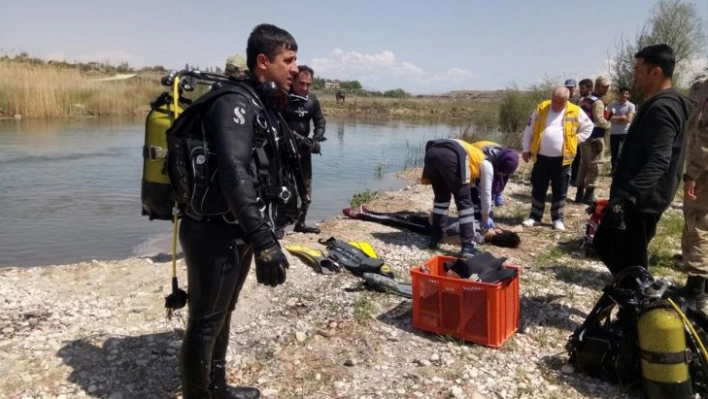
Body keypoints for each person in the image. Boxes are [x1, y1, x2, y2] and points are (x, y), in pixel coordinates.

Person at [178, 24, 300, 399]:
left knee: (223, 313)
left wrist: (258, 233)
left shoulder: (255, 100)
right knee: (205, 321)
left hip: (236, 229)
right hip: (214, 233)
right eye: (288, 60)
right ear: (263, 62)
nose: (295, 68)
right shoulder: (233, 102)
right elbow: (234, 173)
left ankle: (218, 389)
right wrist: (265, 241)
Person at [593, 44, 696, 277]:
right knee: (607, 243)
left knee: (630, 265)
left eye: (638, 69)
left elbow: (660, 160)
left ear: (656, 72)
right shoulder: (658, 104)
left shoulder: (664, 108)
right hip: (639, 196)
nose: (634, 75)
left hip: (642, 201)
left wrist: (629, 197)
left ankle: (639, 306)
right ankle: (631, 301)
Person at [521, 86, 593, 230]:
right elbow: (529, 129)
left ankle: (557, 219)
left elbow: (589, 127)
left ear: (567, 99)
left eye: (560, 102)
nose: (556, 104)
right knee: (538, 187)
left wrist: (574, 140)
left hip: (562, 159)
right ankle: (535, 217)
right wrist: (525, 148)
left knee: (560, 189)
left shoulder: (575, 111)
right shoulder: (541, 108)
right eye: (554, 101)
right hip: (541, 157)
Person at [421, 139, 492, 256]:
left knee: (441, 199)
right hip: (451, 155)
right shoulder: (487, 164)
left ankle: (435, 239)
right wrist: (486, 216)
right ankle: (468, 247)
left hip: (431, 152)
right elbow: (486, 193)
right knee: (464, 201)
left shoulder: (473, 154)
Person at [676, 75, 708, 315]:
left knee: (697, 226)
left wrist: (692, 174)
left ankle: (695, 293)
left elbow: (705, 137)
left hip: (704, 173)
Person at [281, 65, 326, 235]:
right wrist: (300, 139)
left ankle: (301, 222)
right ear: (293, 81)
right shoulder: (282, 97)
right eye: (301, 83)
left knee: (306, 190)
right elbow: (278, 125)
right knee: (282, 188)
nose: (305, 88)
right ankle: (278, 223)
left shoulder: (312, 100)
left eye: (308, 84)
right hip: (283, 152)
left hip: (304, 153)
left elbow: (320, 123)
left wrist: (315, 139)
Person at [341, 206, 521, 248]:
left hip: (430, 228)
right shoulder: (482, 230)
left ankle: (361, 215)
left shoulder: (475, 237)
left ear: (498, 231)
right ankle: (369, 210)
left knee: (395, 221)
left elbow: (446, 239)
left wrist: (437, 227)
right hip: (433, 220)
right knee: (402, 213)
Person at [575, 76, 612, 205]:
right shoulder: (598, 102)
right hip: (595, 137)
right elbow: (599, 119)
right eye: (604, 86)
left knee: (584, 164)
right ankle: (589, 195)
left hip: (583, 136)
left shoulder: (584, 100)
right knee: (595, 166)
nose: (607, 89)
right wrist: (609, 125)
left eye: (608, 86)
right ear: (597, 86)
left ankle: (579, 193)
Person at [471, 140, 520, 210]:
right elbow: (485, 187)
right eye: (502, 172)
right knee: (476, 189)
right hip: (473, 159)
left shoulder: (506, 157)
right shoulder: (484, 160)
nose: (503, 175)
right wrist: (486, 208)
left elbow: (503, 176)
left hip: (494, 161)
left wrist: (499, 191)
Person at [569, 78, 594, 186]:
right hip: (578, 131)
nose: (581, 91)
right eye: (580, 88)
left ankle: (586, 184)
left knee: (588, 160)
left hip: (588, 133)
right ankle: (574, 179)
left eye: (583, 88)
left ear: (590, 88)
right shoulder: (580, 101)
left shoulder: (594, 101)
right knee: (577, 157)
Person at [608, 87, 636, 173]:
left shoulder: (631, 106)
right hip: (614, 132)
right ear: (619, 94)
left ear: (629, 95)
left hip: (625, 133)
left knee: (621, 152)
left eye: (626, 94)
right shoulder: (613, 106)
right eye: (622, 93)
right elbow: (610, 118)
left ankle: (620, 171)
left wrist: (618, 118)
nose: (624, 95)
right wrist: (623, 117)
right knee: (614, 152)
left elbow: (629, 120)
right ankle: (614, 170)